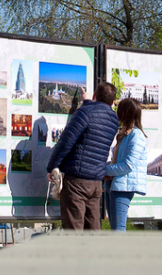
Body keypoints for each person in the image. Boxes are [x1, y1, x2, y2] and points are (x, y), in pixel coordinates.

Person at [47, 82, 119, 231]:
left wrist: (52, 166)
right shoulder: (113, 120)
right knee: (92, 228)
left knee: (74, 228)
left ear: (94, 96)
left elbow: (65, 142)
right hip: (96, 183)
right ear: (113, 102)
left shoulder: (84, 113)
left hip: (76, 181)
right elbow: (97, 116)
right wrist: (87, 102)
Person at [104, 98, 148, 231]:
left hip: (123, 188)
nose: (117, 113)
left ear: (126, 113)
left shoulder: (136, 136)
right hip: (113, 184)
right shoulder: (124, 134)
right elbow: (117, 161)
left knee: (118, 230)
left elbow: (128, 165)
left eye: (119, 110)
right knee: (115, 229)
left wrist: (104, 170)